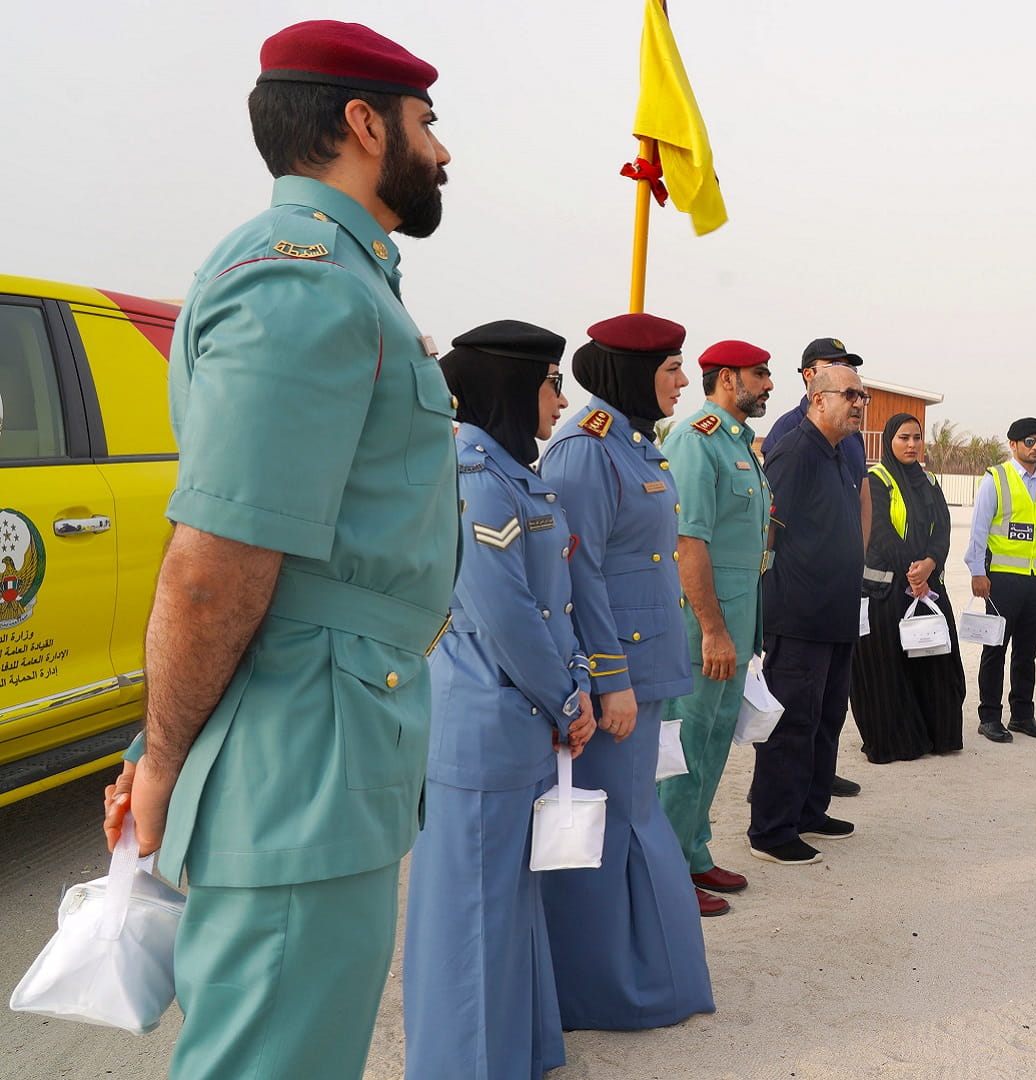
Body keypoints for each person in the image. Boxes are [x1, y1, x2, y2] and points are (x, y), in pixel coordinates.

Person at [99, 22, 455, 1078]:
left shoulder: (339, 276)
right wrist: (158, 759)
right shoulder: (304, 284)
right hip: (303, 751)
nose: (442, 152)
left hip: (315, 732)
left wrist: (157, 748)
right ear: (362, 122)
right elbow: (214, 561)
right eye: (427, 123)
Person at [405, 321, 595, 1078]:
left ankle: (516, 1052)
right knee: (471, 917)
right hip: (483, 725)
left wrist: (572, 684)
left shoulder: (516, 473)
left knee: (506, 908)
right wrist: (566, 699)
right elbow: (506, 616)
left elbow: (554, 604)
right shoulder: (474, 478)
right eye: (552, 383)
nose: (560, 399)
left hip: (517, 721)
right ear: (512, 388)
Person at [539, 313, 713, 1030]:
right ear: (629, 372)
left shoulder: (640, 447)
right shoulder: (585, 451)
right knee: (605, 838)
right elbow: (573, 576)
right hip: (616, 684)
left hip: (647, 671)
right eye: (672, 367)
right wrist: (610, 680)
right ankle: (598, 989)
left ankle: (635, 976)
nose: (683, 381)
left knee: (632, 827)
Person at [657, 340, 775, 918]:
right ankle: (667, 871)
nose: (769, 385)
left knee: (713, 741)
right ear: (727, 378)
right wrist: (711, 629)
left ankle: (693, 849)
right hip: (702, 626)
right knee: (686, 745)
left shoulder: (737, 445)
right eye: (759, 375)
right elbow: (688, 542)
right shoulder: (695, 440)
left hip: (735, 622)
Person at [750, 364, 868, 864]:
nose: (860, 403)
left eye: (863, 395)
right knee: (791, 723)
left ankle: (809, 810)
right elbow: (767, 531)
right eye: (851, 394)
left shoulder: (839, 454)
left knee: (826, 718)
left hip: (836, 612)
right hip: (798, 616)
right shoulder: (795, 451)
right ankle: (772, 829)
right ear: (818, 399)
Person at [849, 413, 967, 761]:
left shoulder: (929, 480)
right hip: (888, 592)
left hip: (927, 587)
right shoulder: (877, 478)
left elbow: (942, 529)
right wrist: (912, 572)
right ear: (890, 441)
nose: (912, 444)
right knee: (888, 671)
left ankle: (937, 736)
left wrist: (930, 564)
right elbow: (879, 534)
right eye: (904, 438)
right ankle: (899, 742)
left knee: (939, 665)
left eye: (917, 437)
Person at [966, 418, 1036, 742]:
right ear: (1013, 444)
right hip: (1002, 581)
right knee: (995, 648)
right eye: (1029, 441)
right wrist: (978, 571)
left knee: (1027, 651)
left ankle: (1022, 715)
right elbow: (979, 530)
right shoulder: (996, 479)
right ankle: (989, 717)